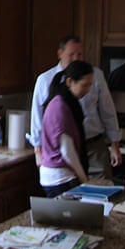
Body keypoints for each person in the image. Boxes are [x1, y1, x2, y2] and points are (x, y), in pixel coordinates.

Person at [29, 35, 122, 176]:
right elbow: (38, 116)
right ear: (59, 54)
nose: (76, 58)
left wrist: (115, 144)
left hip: (93, 145)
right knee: (71, 194)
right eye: (71, 54)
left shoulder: (95, 75)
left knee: (102, 190)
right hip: (60, 151)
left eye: (79, 54)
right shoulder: (45, 80)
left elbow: (107, 110)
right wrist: (38, 150)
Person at [39, 60, 95, 197]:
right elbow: (67, 151)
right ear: (70, 82)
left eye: (90, 85)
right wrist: (84, 179)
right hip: (59, 177)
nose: (88, 90)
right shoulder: (60, 107)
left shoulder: (64, 101)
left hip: (56, 175)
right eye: (84, 85)